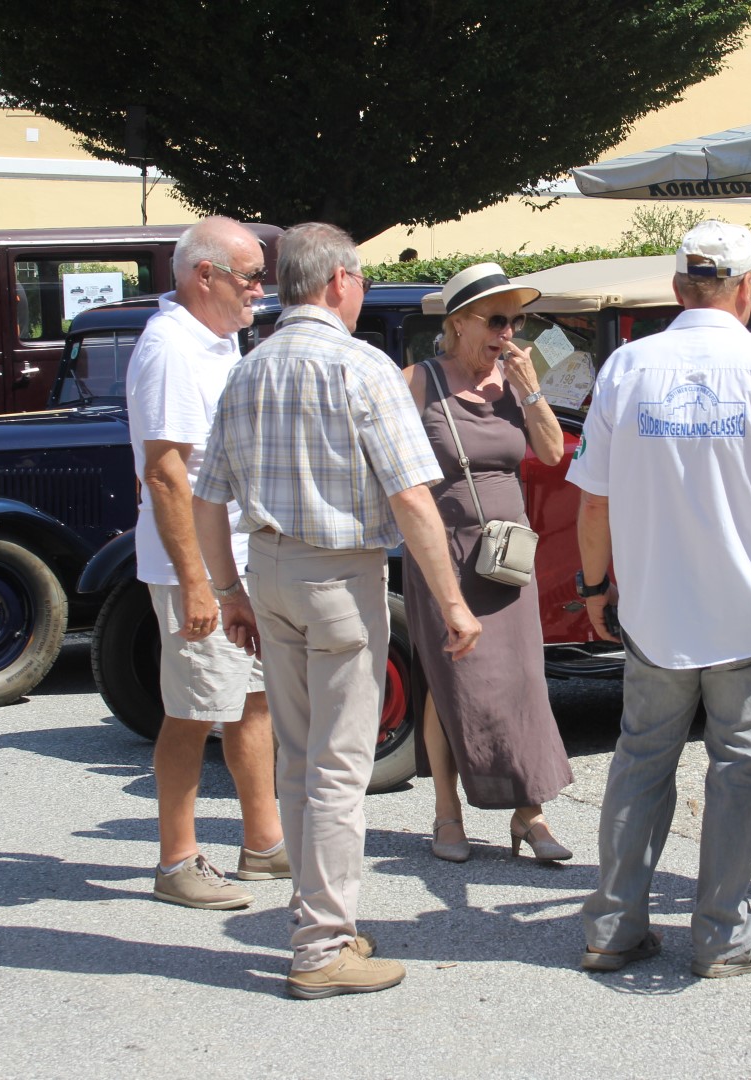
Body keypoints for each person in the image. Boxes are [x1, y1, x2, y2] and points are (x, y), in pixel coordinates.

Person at [192, 221, 482, 1000]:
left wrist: (229, 591)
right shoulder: (362, 366)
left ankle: (314, 917)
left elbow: (206, 496)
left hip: (273, 568)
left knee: (299, 755)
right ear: (340, 282)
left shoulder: (247, 367)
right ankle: (322, 943)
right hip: (338, 577)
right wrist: (453, 601)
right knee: (340, 767)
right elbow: (412, 498)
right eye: (357, 281)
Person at [569, 221, 751, 979]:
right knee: (739, 768)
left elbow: (593, 501)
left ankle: (614, 925)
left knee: (640, 760)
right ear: (748, 287)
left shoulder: (628, 365)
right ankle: (723, 933)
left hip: (655, 605)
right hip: (750, 608)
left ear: (679, 287)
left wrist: (596, 589)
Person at [125, 216, 285, 912]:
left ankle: (265, 843)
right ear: (204, 275)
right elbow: (164, 474)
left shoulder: (216, 342)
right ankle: (177, 860)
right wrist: (199, 583)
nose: (260, 289)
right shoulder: (171, 348)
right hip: (201, 568)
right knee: (194, 711)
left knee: (251, 700)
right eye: (251, 276)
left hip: (236, 560)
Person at [402, 263, 574, 864]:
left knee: (524, 679)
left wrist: (529, 387)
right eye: (496, 319)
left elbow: (553, 453)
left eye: (516, 319)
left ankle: (530, 814)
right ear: (458, 323)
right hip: (443, 550)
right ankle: (447, 814)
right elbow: (385, 464)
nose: (509, 331)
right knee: (453, 680)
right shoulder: (421, 381)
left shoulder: (513, 383)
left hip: (507, 553)